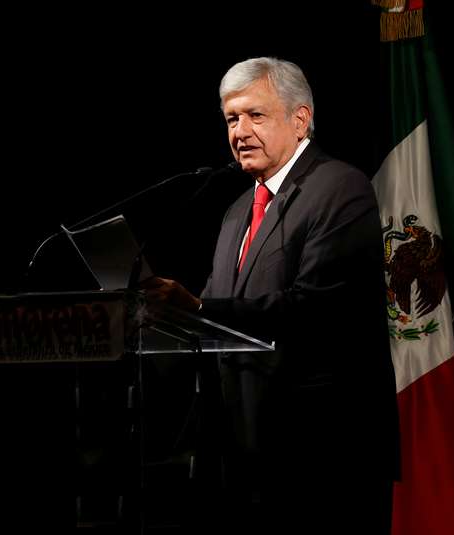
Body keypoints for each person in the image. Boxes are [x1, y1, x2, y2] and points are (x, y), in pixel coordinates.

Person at [142, 57, 399, 532]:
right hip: (242, 454)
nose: (240, 131)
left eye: (255, 115)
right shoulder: (238, 209)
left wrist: (197, 306)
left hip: (320, 455)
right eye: (231, 119)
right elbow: (215, 311)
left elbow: (316, 308)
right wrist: (159, 316)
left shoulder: (341, 188)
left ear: (300, 120)